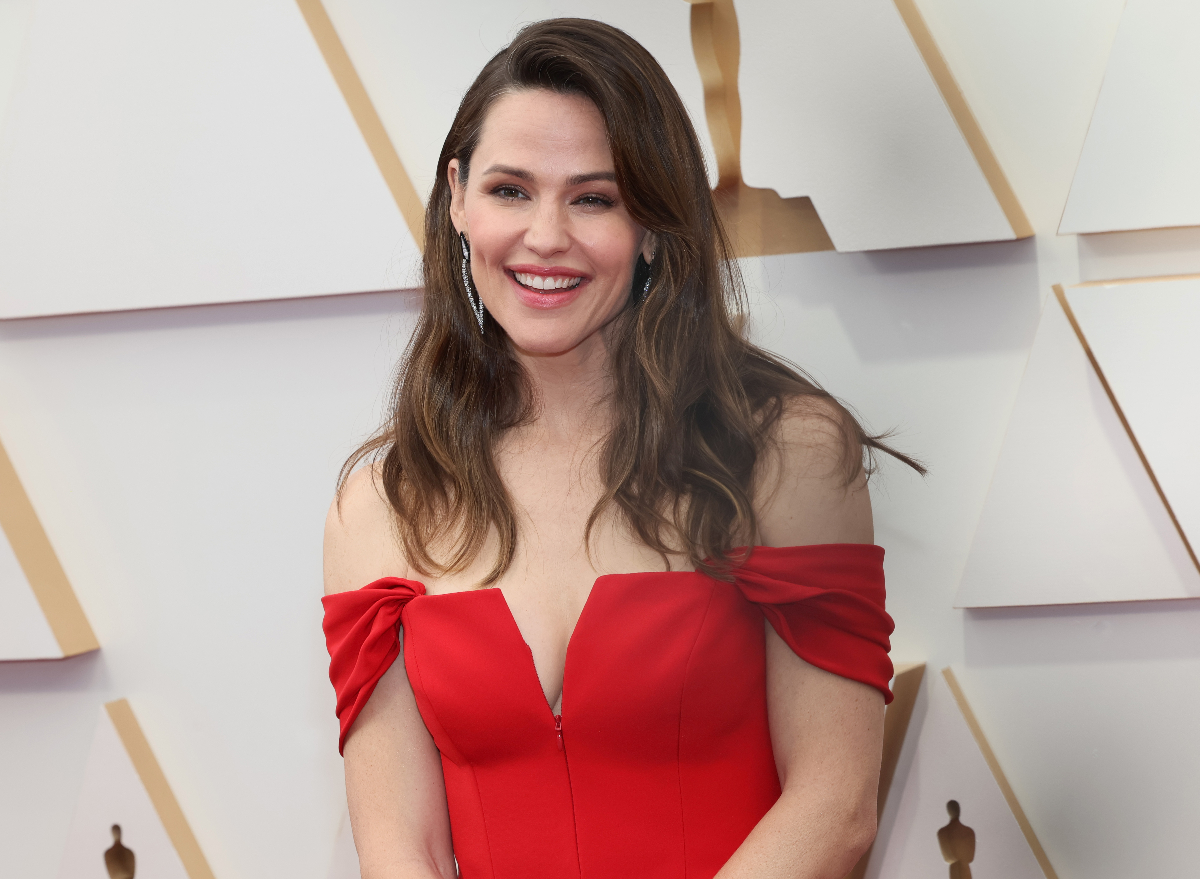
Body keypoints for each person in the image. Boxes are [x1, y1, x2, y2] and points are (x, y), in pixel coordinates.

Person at [322, 18, 921, 879]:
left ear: (653, 220)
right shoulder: (379, 506)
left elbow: (834, 807)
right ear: (457, 197)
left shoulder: (785, 453)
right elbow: (398, 845)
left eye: (594, 197)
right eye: (510, 190)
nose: (546, 237)